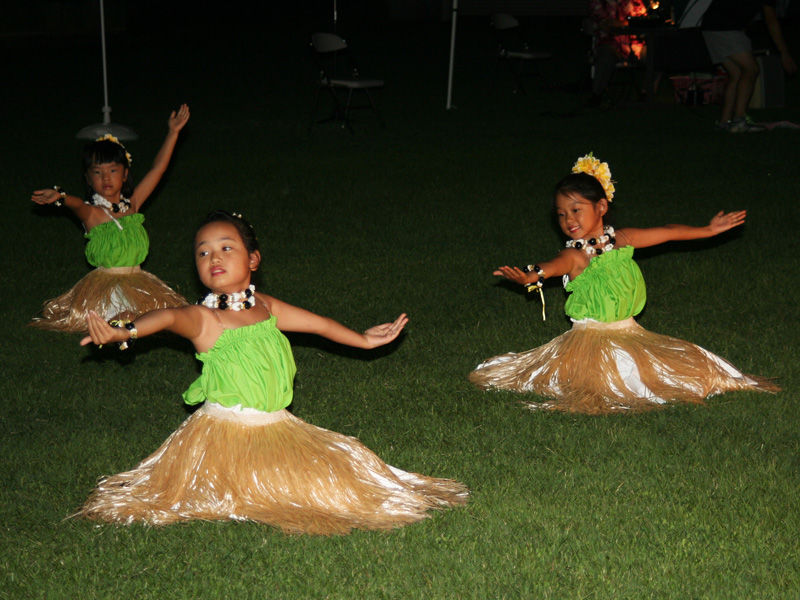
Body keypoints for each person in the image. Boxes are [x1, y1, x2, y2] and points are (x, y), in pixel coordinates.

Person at [76, 210, 468, 534]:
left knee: (339, 478)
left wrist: (364, 340)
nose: (213, 258)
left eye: (226, 248)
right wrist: (125, 331)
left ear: (253, 259)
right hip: (225, 436)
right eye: (203, 252)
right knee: (274, 497)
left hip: (277, 426)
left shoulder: (264, 306)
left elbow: (318, 325)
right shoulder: (204, 318)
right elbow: (167, 317)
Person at [469, 154, 778, 414]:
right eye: (561, 214)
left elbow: (668, 231)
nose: (568, 220)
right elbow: (551, 267)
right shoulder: (575, 255)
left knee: (684, 371)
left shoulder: (622, 240)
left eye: (576, 210)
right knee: (620, 384)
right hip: (590, 343)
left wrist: (708, 230)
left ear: (601, 207)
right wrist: (529, 276)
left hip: (629, 334)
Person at [30, 104, 192, 332]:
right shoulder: (93, 213)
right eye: (98, 172)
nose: (106, 178)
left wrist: (173, 133)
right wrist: (61, 197)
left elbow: (158, 170)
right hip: (108, 288)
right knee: (128, 316)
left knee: (165, 315)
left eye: (113, 171)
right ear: (88, 179)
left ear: (125, 174)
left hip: (139, 282)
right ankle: (119, 326)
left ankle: (127, 325)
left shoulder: (132, 206)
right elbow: (77, 204)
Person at [700, 0, 797, 132]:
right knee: (751, 69)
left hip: (712, 26)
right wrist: (784, 53)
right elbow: (771, 20)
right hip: (724, 27)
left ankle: (725, 122)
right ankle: (739, 121)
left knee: (736, 74)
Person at [586, 0, 649, 107]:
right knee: (606, 54)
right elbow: (605, 24)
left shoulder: (635, 2)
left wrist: (627, 24)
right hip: (611, 44)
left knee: (655, 53)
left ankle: (647, 92)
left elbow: (644, 22)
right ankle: (597, 95)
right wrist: (630, 23)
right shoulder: (600, 3)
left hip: (635, 46)